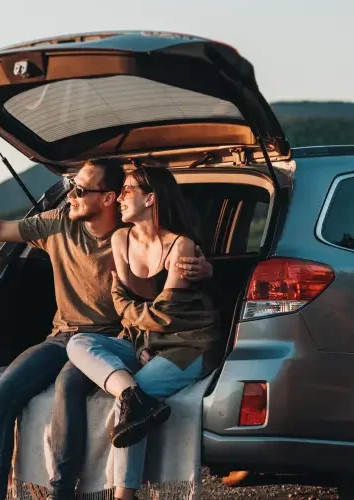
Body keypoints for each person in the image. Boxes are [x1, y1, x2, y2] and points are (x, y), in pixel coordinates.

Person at [0, 160, 213, 500]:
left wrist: (206, 267)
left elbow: (171, 245)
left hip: (114, 337)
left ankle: (62, 491)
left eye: (80, 189)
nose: (70, 195)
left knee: (68, 385)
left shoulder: (130, 227)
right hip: (63, 335)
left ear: (108, 198)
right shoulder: (60, 225)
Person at [66, 166, 221, 500]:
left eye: (127, 191)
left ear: (150, 198)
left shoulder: (182, 245)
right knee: (79, 343)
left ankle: (125, 493)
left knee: (137, 401)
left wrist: (141, 332)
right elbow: (120, 300)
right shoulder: (120, 239)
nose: (119, 198)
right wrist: (140, 344)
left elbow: (168, 316)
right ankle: (128, 393)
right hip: (143, 341)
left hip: (188, 342)